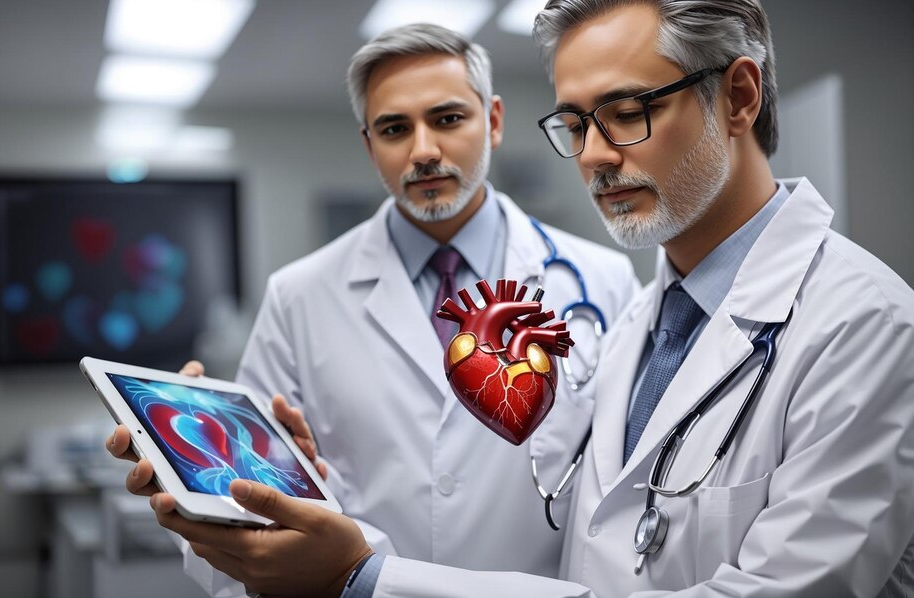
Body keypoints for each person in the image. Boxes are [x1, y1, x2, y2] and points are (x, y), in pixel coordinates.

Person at [116, 1, 914, 595]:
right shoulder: (648, 313)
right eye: (574, 123)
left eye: (628, 112)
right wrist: (251, 486)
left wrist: (369, 578)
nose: (595, 156)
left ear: (739, 97)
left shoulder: (858, 322)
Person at [107, 22, 640, 597]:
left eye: (448, 118)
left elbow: (628, 495)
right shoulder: (300, 296)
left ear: (493, 121)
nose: (424, 150)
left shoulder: (604, 281)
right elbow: (247, 508)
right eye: (394, 129)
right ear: (368, 144)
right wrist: (194, 466)